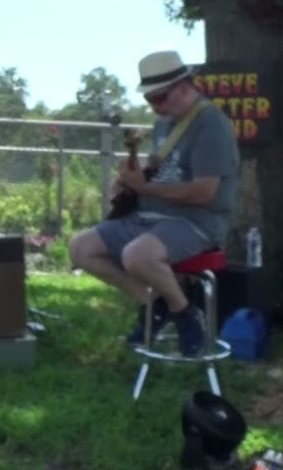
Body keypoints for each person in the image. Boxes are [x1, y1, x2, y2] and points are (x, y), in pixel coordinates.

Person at [68, 50, 241, 357]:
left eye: (159, 98)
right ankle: (156, 304)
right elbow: (158, 172)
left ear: (183, 88)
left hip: (196, 221)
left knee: (137, 256)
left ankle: (185, 316)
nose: (155, 107)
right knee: (80, 248)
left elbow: (204, 193)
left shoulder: (211, 125)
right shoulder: (165, 122)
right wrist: (128, 183)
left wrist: (145, 187)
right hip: (151, 215)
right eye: (150, 100)